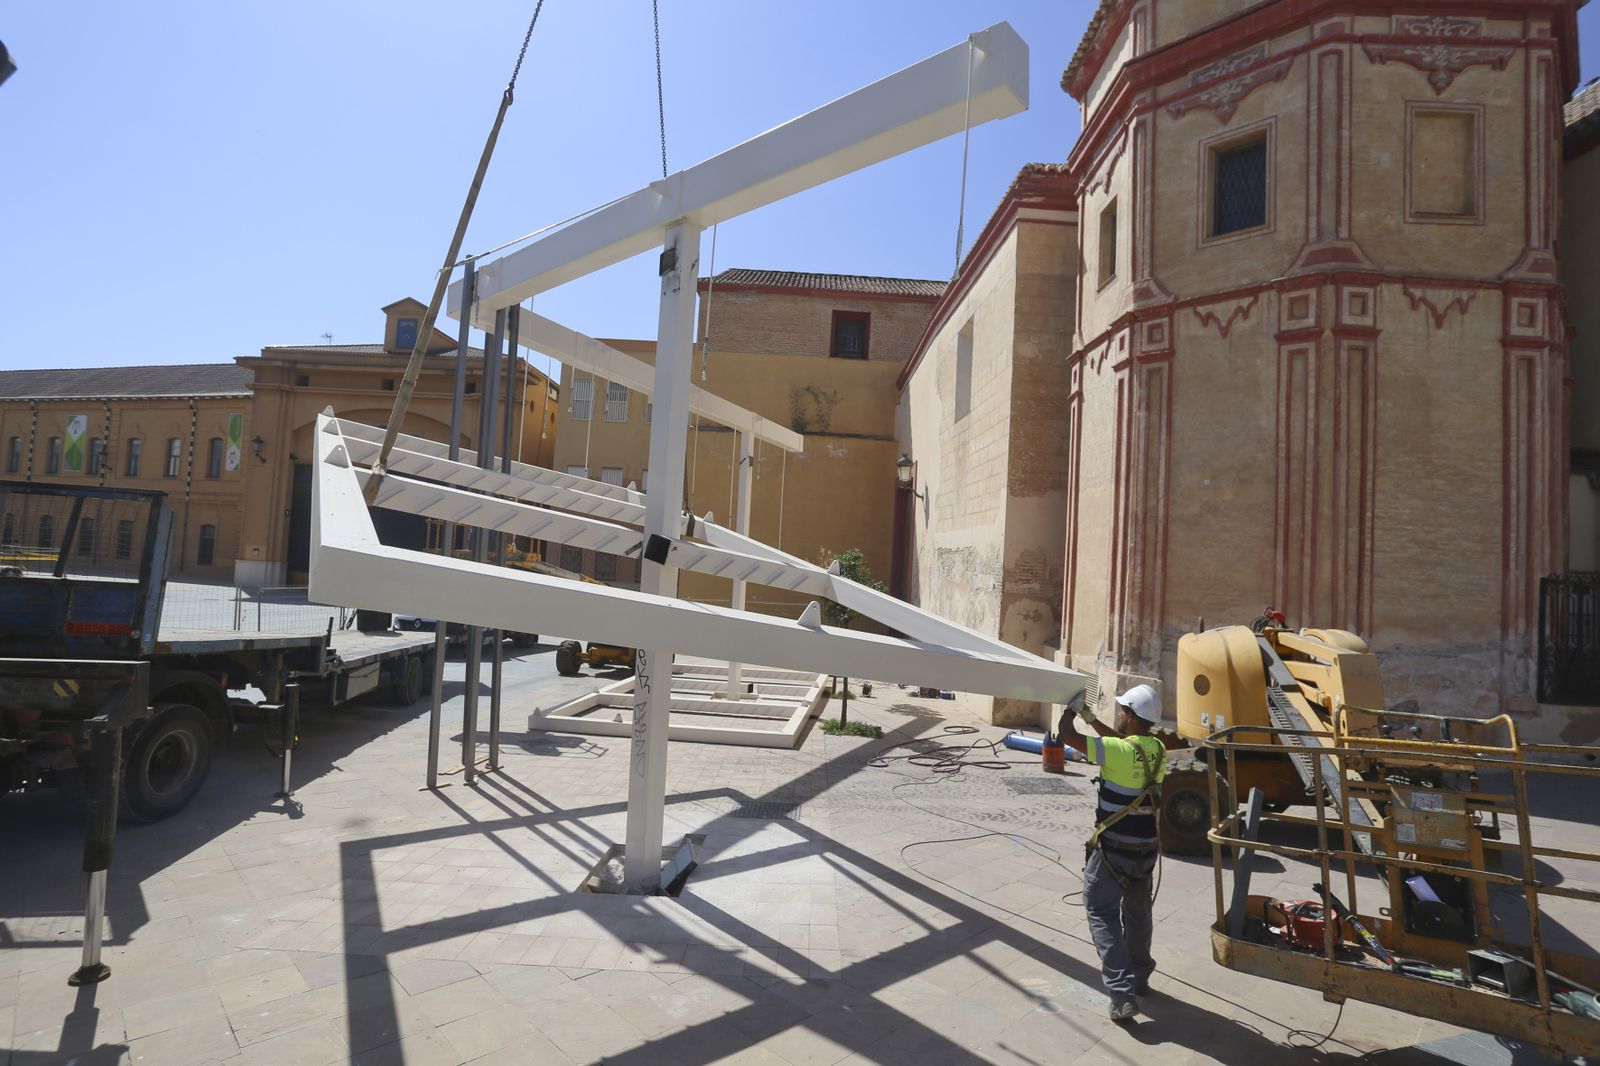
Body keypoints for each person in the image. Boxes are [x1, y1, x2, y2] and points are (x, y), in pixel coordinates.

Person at [1057, 683, 1167, 1021]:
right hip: (1145, 851)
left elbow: (1066, 736)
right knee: (1137, 914)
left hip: (1114, 851)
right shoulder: (1158, 749)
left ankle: (1121, 995)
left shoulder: (1116, 751)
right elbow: (1122, 744)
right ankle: (1140, 975)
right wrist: (1091, 717)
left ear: (1131, 716)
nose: (1119, 713)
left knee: (1101, 912)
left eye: (1123, 710)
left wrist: (1070, 711)